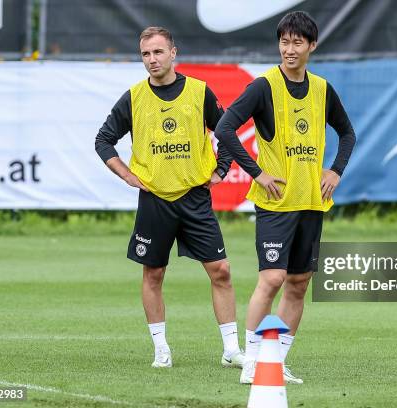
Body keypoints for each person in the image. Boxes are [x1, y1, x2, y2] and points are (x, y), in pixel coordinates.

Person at [215, 11, 356, 384]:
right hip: (276, 202)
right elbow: (226, 128)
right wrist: (257, 172)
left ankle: (275, 361)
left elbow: (347, 134)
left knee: (299, 283)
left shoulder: (323, 89)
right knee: (273, 278)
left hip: (311, 201)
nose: (289, 49)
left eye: (297, 42)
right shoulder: (264, 86)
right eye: (284, 42)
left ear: (312, 46)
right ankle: (251, 361)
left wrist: (335, 171)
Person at [95, 26, 244, 369]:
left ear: (173, 53)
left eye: (158, 52)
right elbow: (103, 140)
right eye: (146, 54)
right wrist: (128, 175)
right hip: (155, 201)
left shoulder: (199, 91)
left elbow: (227, 132)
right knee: (154, 274)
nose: (152, 60)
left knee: (221, 270)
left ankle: (230, 349)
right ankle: (161, 349)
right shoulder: (133, 97)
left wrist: (221, 170)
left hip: (194, 198)